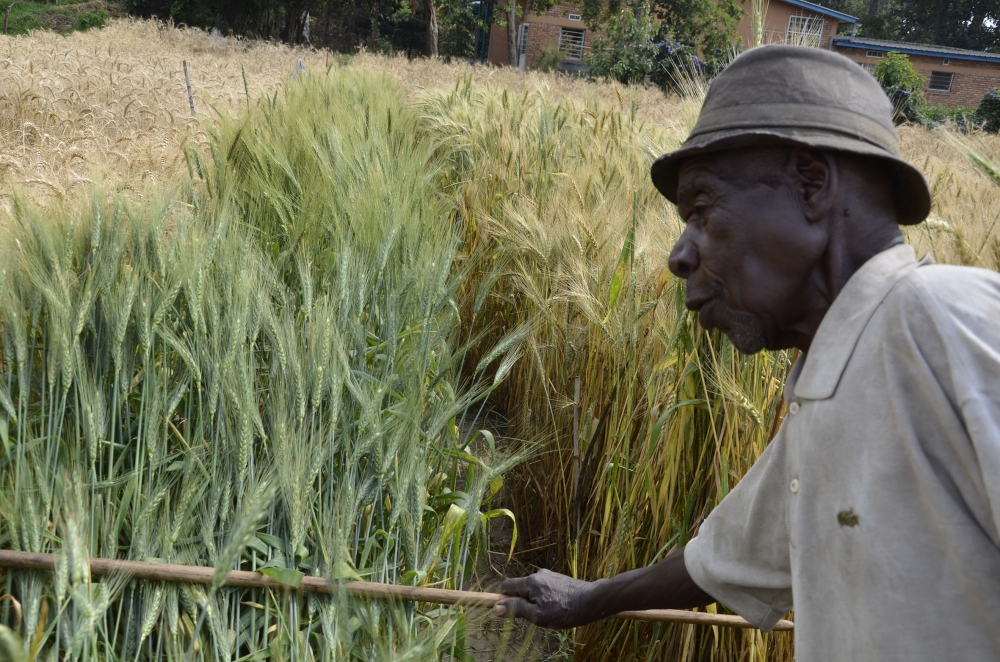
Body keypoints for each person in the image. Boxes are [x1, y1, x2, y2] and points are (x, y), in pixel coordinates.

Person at [493, 45, 1000, 660]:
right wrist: (588, 599)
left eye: (702, 209)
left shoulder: (943, 321)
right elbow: (725, 557)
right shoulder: (829, 386)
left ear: (811, 187)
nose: (678, 255)